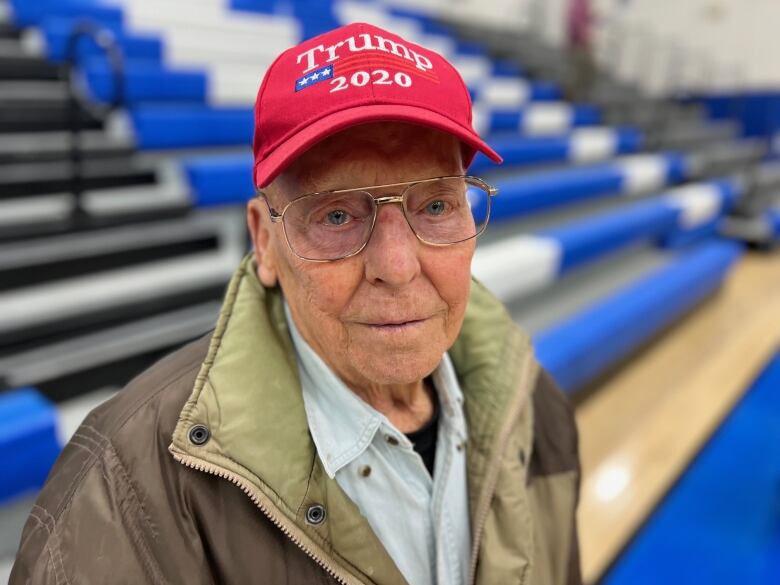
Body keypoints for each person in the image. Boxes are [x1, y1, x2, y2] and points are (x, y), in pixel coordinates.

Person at [11, 22, 582, 585]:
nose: (398, 266)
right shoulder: (123, 491)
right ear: (264, 240)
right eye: (336, 215)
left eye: (436, 206)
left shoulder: (528, 403)